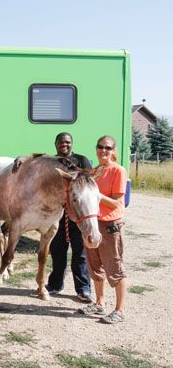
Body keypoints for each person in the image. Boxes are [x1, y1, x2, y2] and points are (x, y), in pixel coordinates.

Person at [77, 135, 128, 324]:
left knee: (114, 267)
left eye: (107, 148)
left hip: (110, 225)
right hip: (93, 224)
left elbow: (116, 203)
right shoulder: (94, 171)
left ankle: (120, 310)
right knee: (94, 266)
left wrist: (97, 195)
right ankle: (99, 304)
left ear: (113, 151)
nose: (103, 151)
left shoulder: (118, 171)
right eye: (100, 147)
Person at [45, 133, 93, 303]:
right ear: (55, 144)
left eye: (67, 142)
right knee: (57, 252)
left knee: (80, 253)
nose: (64, 145)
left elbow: (88, 186)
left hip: (77, 216)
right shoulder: (50, 161)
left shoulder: (82, 160)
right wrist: (19, 160)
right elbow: (31, 160)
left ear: (72, 144)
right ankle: (55, 284)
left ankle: (83, 288)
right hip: (57, 215)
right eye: (61, 142)